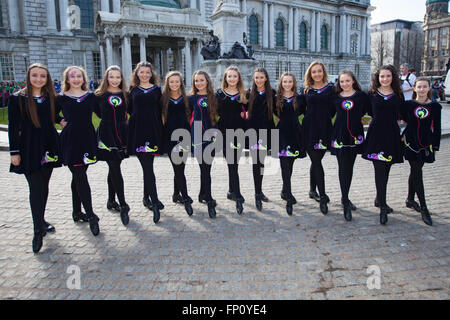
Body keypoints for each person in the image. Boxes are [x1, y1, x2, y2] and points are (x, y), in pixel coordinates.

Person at [8, 63, 61, 253]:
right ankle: (37, 229)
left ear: (47, 79)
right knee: (35, 188)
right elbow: (13, 127)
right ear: (29, 77)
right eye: (35, 75)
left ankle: (42, 220)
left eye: (42, 76)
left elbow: (53, 117)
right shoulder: (17, 99)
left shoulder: (50, 98)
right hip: (29, 148)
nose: (38, 79)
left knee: (44, 186)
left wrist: (62, 120)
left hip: (49, 147)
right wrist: (14, 152)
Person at [57, 66, 100, 236]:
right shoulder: (60, 98)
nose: (75, 79)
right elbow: (49, 114)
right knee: (81, 176)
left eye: (78, 76)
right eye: (72, 76)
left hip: (87, 139)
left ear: (83, 79)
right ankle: (90, 215)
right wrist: (59, 119)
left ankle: (76, 211)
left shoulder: (90, 97)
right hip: (70, 141)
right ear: (67, 79)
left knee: (78, 176)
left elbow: (102, 112)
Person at [362, 65, 404, 225]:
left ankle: (379, 199)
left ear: (392, 77)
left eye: (388, 76)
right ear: (377, 78)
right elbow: (364, 112)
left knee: (386, 169)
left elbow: (402, 113)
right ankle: (383, 208)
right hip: (375, 136)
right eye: (382, 76)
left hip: (392, 136)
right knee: (379, 170)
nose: (385, 79)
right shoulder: (371, 94)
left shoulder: (398, 95)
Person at [400, 77, 441, 226]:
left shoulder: (435, 107)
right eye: (419, 87)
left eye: (425, 87)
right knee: (417, 172)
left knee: (415, 171)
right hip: (411, 144)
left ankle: (410, 199)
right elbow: (401, 119)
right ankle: (424, 207)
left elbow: (437, 128)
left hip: (425, 144)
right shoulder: (408, 105)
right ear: (414, 89)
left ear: (429, 89)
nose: (422, 89)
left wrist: (435, 147)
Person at [330, 70, 370, 221]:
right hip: (339, 136)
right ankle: (345, 201)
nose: (345, 84)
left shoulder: (361, 97)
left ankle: (345, 196)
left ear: (353, 81)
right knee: (342, 168)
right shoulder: (335, 98)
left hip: (354, 136)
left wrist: (365, 120)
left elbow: (370, 112)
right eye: (342, 81)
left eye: (347, 81)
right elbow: (328, 114)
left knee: (350, 168)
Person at [127, 61, 164, 224]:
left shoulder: (157, 90)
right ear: (137, 73)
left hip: (153, 130)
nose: (144, 75)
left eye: (147, 72)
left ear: (151, 74)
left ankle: (145, 197)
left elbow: (161, 108)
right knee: (148, 169)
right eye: (141, 72)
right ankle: (155, 202)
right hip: (138, 132)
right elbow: (128, 110)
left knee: (149, 166)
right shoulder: (133, 90)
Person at [94, 66, 130, 226]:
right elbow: (96, 112)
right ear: (106, 78)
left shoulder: (125, 95)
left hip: (121, 134)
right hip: (107, 134)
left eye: (118, 77)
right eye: (111, 77)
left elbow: (132, 112)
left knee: (113, 167)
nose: (115, 80)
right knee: (115, 167)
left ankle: (110, 200)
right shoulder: (99, 96)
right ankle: (123, 204)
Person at [300, 61, 335, 215]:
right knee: (316, 161)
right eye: (314, 72)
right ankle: (322, 196)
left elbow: (334, 109)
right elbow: (300, 109)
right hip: (310, 130)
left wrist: (325, 119)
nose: (317, 74)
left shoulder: (330, 89)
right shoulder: (306, 90)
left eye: (319, 71)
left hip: (325, 129)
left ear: (323, 72)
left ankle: (312, 190)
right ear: (310, 74)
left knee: (317, 160)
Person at [216, 66, 248, 215]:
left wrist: (246, 114)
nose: (232, 79)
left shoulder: (243, 94)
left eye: (235, 76)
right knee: (232, 163)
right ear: (225, 78)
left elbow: (249, 111)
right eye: (229, 76)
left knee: (234, 163)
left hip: (239, 131)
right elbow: (213, 111)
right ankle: (238, 195)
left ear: (238, 78)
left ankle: (231, 191)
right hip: (224, 131)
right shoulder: (219, 94)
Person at [161, 71, 193, 216]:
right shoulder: (162, 99)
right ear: (167, 83)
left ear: (181, 82)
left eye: (177, 81)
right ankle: (185, 198)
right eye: (171, 81)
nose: (174, 84)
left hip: (184, 137)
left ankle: (175, 194)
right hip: (170, 137)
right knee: (178, 169)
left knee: (181, 168)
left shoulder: (187, 99)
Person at [275, 72, 306, 215]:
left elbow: (306, 112)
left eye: (290, 82)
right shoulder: (276, 99)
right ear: (281, 83)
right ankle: (289, 196)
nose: (287, 84)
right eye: (284, 82)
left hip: (295, 133)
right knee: (284, 166)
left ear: (294, 83)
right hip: (281, 134)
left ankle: (283, 190)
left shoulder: (300, 98)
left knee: (290, 164)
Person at [189, 70, 219, 218]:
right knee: (204, 169)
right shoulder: (191, 99)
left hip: (211, 135)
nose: (199, 83)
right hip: (197, 136)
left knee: (207, 168)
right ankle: (209, 199)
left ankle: (202, 193)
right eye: (196, 81)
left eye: (201, 80)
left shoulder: (214, 97)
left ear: (207, 80)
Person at [246, 67, 275, 211]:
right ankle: (257, 193)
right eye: (256, 78)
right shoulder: (248, 94)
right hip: (252, 132)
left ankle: (260, 190)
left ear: (266, 79)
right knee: (255, 162)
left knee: (261, 162)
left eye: (261, 78)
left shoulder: (272, 94)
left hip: (266, 131)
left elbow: (279, 110)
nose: (258, 80)